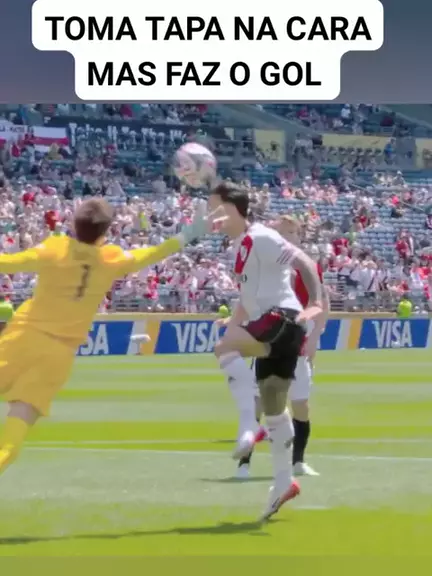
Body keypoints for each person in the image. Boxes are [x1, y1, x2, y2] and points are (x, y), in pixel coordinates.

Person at [0, 198, 224, 477]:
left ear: (74, 224)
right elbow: (152, 254)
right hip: (57, 356)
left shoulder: (55, 248)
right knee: (12, 437)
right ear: (106, 231)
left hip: (22, 338)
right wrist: (188, 234)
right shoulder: (111, 259)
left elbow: (7, 263)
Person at [210, 182, 323, 521]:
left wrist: (316, 301)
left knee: (224, 348)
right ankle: (283, 483)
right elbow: (247, 301)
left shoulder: (262, 236)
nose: (209, 215)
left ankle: (248, 426)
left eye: (214, 208)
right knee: (274, 404)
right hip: (268, 323)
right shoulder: (240, 247)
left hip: (283, 318)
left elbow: (305, 262)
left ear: (232, 210)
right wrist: (234, 322)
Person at [237, 216, 329, 479]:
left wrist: (315, 338)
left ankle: (298, 461)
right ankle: (244, 464)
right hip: (270, 341)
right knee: (258, 403)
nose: (286, 237)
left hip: (298, 342)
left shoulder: (308, 266)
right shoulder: (265, 264)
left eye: (290, 233)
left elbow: (322, 302)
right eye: (281, 233)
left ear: (298, 236)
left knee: (301, 404)